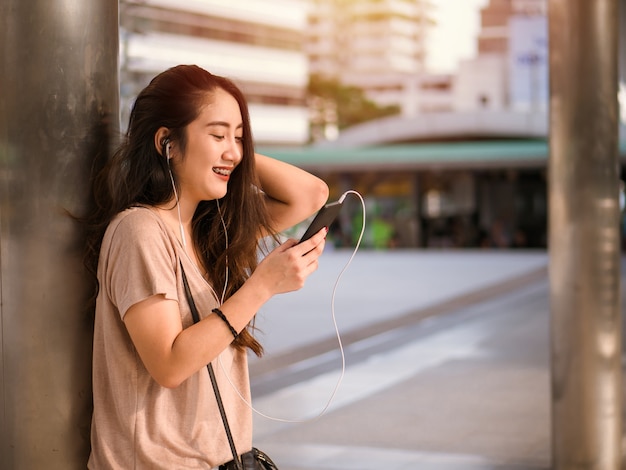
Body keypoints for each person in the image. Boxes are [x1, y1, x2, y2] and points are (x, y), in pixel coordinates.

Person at [83, 64, 329, 468]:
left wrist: (230, 149)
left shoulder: (209, 232)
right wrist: (262, 286)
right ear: (167, 142)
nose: (233, 151)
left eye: (239, 137)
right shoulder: (139, 230)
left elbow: (310, 194)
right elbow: (169, 364)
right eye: (216, 134)